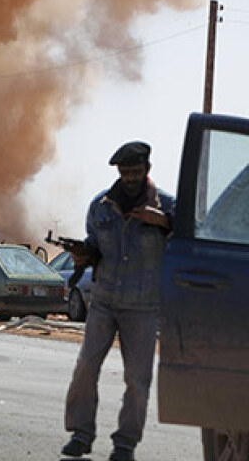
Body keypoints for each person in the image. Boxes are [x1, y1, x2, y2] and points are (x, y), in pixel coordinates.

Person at [61, 141, 174, 461]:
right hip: (105, 301)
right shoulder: (101, 205)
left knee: (137, 379)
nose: (129, 178)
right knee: (85, 367)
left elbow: (184, 243)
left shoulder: (168, 206)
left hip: (143, 307)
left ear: (147, 170)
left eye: (135, 172)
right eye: (124, 172)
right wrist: (82, 254)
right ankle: (81, 434)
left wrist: (162, 222)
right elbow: (95, 247)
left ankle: (125, 444)